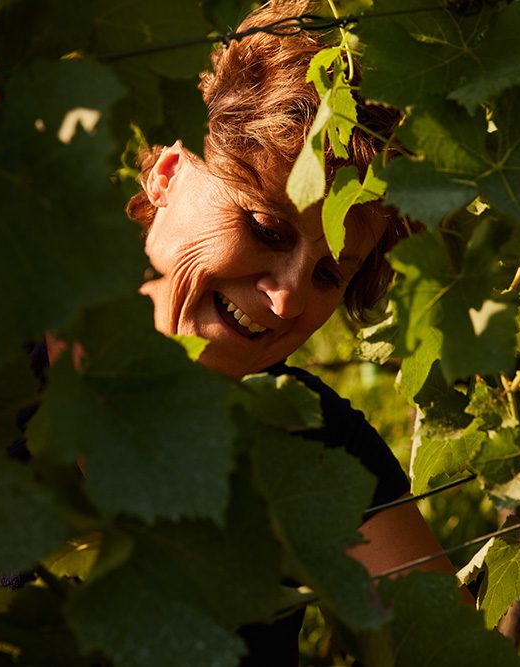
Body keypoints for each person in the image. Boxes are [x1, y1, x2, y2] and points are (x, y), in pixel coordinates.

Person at [112, 0, 460, 660]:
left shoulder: (316, 445)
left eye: (330, 274)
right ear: (167, 173)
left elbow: (446, 649)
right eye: (266, 230)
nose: (287, 298)